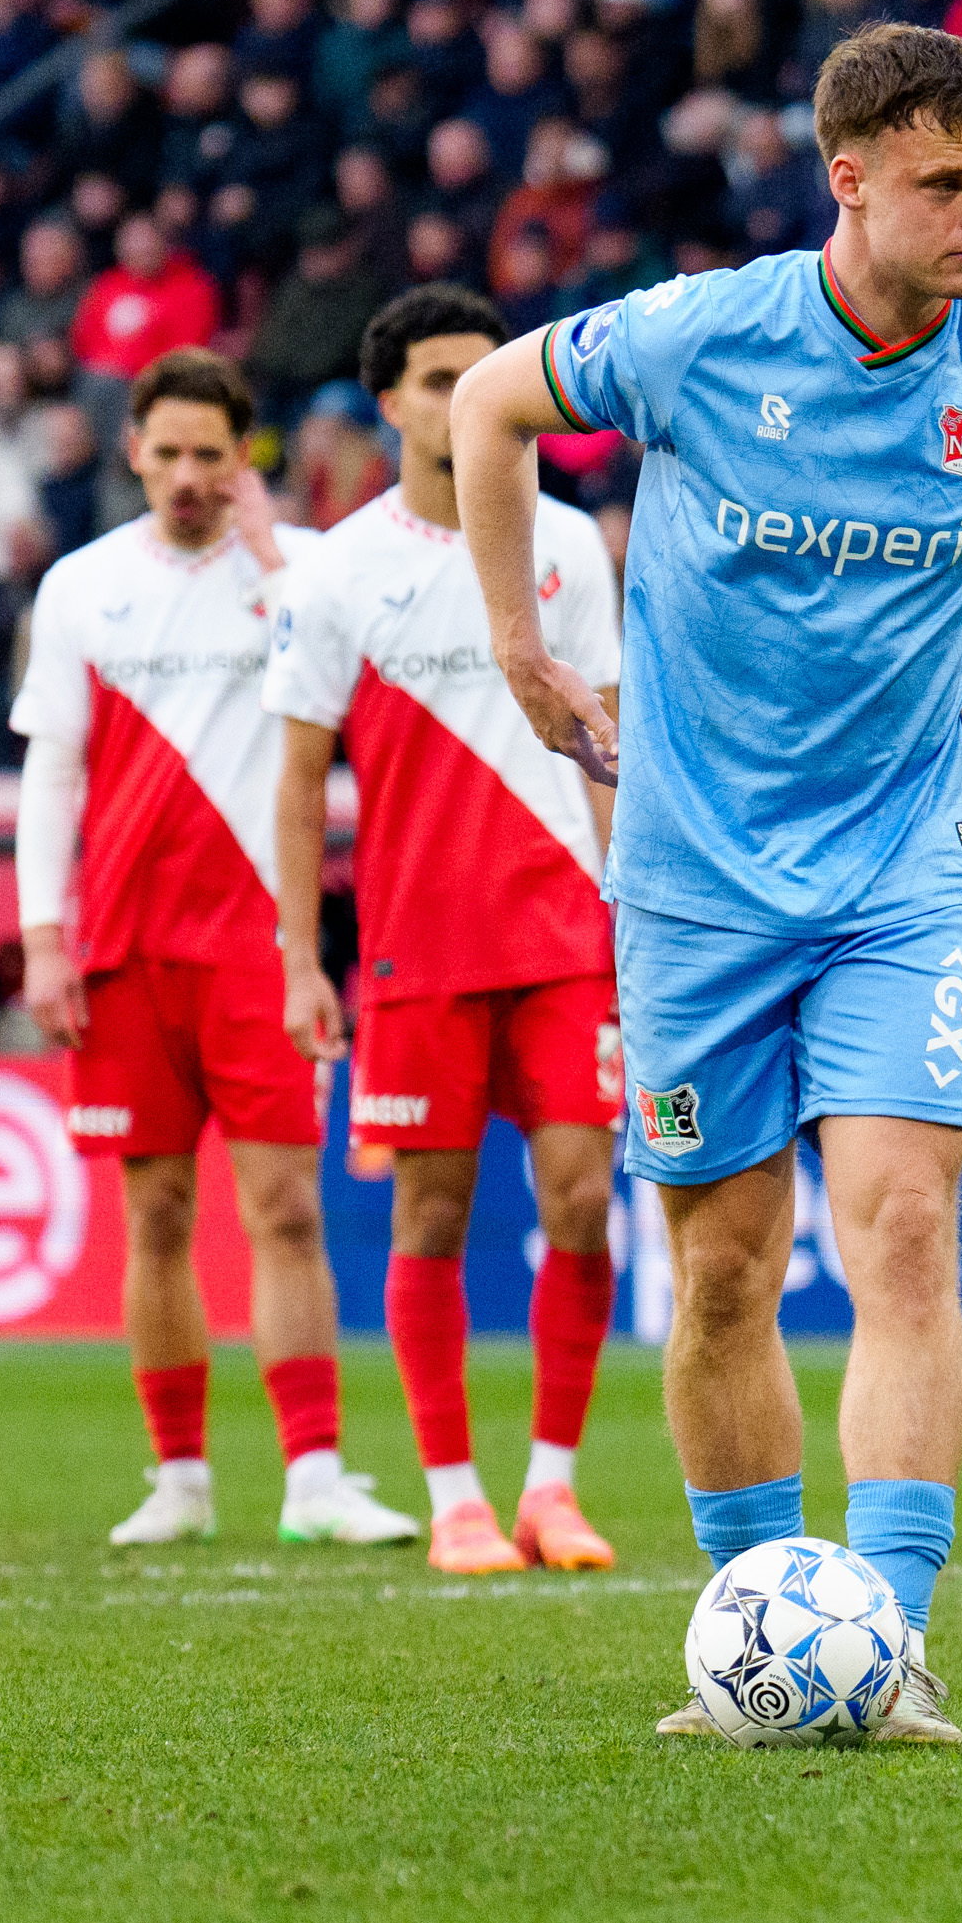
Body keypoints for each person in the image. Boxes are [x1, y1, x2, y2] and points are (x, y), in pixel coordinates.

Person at [446, 24, 962, 1742]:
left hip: (901, 873)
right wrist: (517, 641)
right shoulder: (700, 337)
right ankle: (750, 1640)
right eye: (948, 184)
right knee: (723, 1270)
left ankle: (895, 1643)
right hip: (695, 883)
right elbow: (490, 402)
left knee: (906, 1231)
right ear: (846, 177)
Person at [12, 348, 415, 1552]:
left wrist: (270, 549)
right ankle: (179, 1480)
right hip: (128, 946)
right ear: (133, 449)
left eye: (211, 455)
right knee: (158, 1214)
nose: (188, 476)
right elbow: (52, 768)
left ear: (244, 459)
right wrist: (45, 934)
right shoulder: (80, 587)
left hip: (258, 944)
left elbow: (358, 677)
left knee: (286, 1210)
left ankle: (315, 1479)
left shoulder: (295, 576)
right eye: (169, 452)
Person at [263, 285, 627, 1578]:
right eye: (436, 378)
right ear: (390, 402)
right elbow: (301, 777)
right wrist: (301, 953)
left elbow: (608, 738)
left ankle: (553, 1486)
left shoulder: (572, 544)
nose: (465, 397)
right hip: (417, 944)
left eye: (484, 374)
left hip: (565, 932)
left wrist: (630, 904)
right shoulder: (338, 569)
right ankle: (454, 1491)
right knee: (432, 1210)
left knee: (581, 1201)